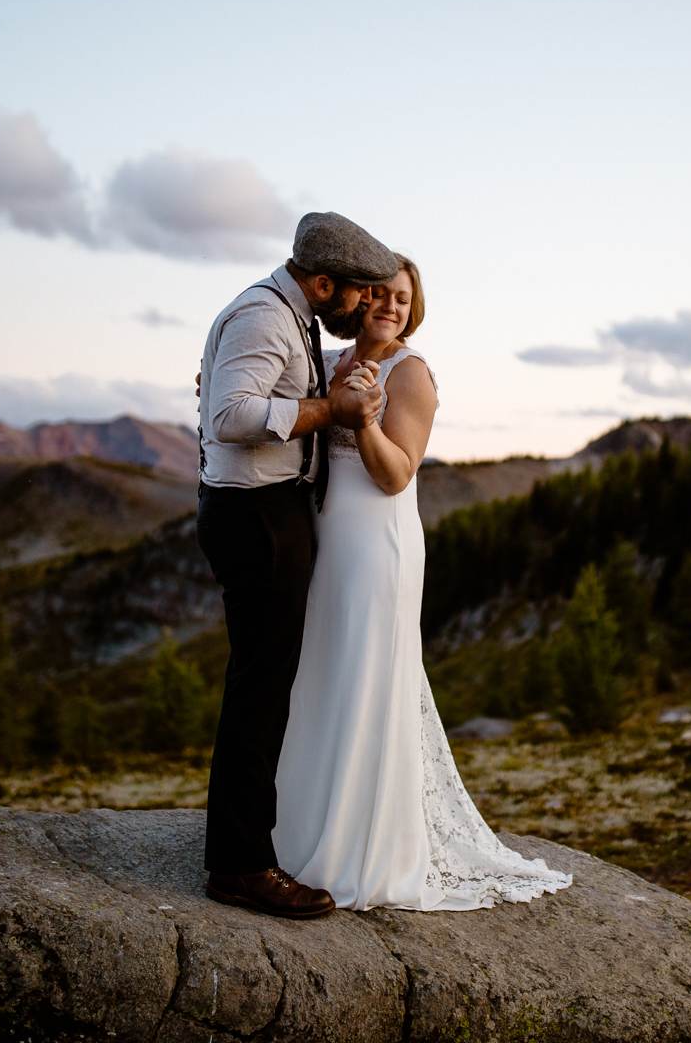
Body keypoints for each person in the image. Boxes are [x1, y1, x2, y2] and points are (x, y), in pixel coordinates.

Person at [271, 253, 575, 911]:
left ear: (415, 307)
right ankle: (300, 831)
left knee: (365, 675)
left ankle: (366, 848)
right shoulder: (333, 363)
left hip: (379, 544)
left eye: (403, 299)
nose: (389, 307)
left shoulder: (412, 374)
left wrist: (365, 420)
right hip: (330, 540)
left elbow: (397, 474)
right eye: (379, 294)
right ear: (358, 299)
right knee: (323, 673)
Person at [196, 210, 400, 919]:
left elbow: (233, 397)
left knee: (266, 679)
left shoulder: (289, 313)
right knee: (260, 685)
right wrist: (331, 411)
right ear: (322, 282)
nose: (363, 307)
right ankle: (240, 865)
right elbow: (230, 416)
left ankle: (244, 844)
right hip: (256, 518)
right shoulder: (264, 315)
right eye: (357, 294)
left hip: (270, 512)